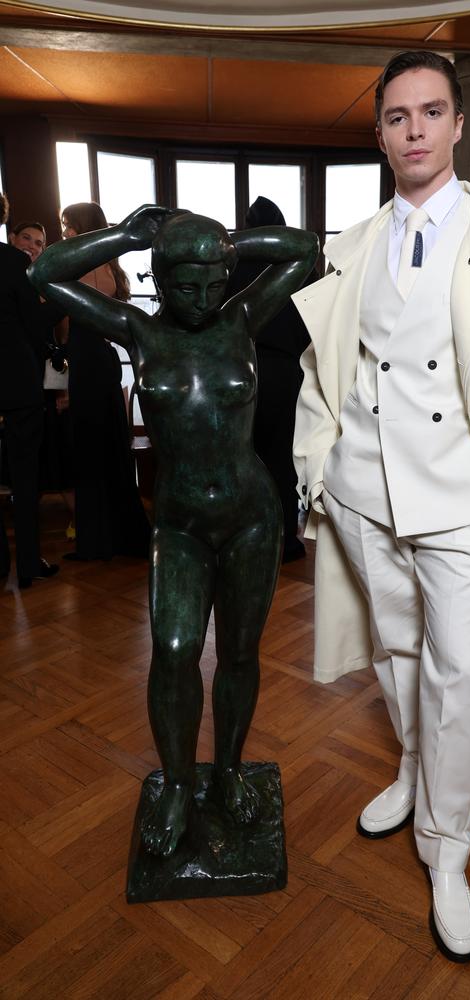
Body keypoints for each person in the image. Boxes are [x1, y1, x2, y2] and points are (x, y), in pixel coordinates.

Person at [292, 51, 470, 963]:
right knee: (398, 653)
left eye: (431, 112)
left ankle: (448, 854)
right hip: (366, 497)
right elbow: (323, 372)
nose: (414, 129)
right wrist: (321, 473)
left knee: (459, 681)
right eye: (397, 116)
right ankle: (410, 771)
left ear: (456, 126)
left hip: (464, 507)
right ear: (380, 133)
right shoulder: (351, 246)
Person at [31, 205, 318, 857]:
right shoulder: (138, 329)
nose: (202, 298)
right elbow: (45, 273)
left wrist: (221, 241)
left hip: (251, 515)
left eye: (214, 282)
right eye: (185, 285)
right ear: (158, 279)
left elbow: (303, 251)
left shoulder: (243, 317)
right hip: (182, 522)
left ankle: (229, 773)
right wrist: (130, 236)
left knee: (241, 653)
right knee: (177, 647)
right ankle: (179, 786)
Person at [59, 202, 151, 561]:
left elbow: (67, 323)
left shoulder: (76, 264)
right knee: (112, 448)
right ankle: (125, 534)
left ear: (82, 227)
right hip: (105, 359)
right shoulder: (110, 266)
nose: (65, 232)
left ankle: (95, 542)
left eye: (68, 225)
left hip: (84, 360)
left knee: (88, 451)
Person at [227, 195, 312, 562]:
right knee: (282, 456)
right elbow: (314, 322)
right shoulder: (298, 264)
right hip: (286, 370)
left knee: (242, 457)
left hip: (239, 369)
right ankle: (284, 540)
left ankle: (244, 539)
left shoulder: (232, 264)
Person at [0, 200, 60, 588]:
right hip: (16, 377)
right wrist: (59, 299)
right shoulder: (12, 262)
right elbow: (35, 324)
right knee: (24, 476)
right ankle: (27, 564)